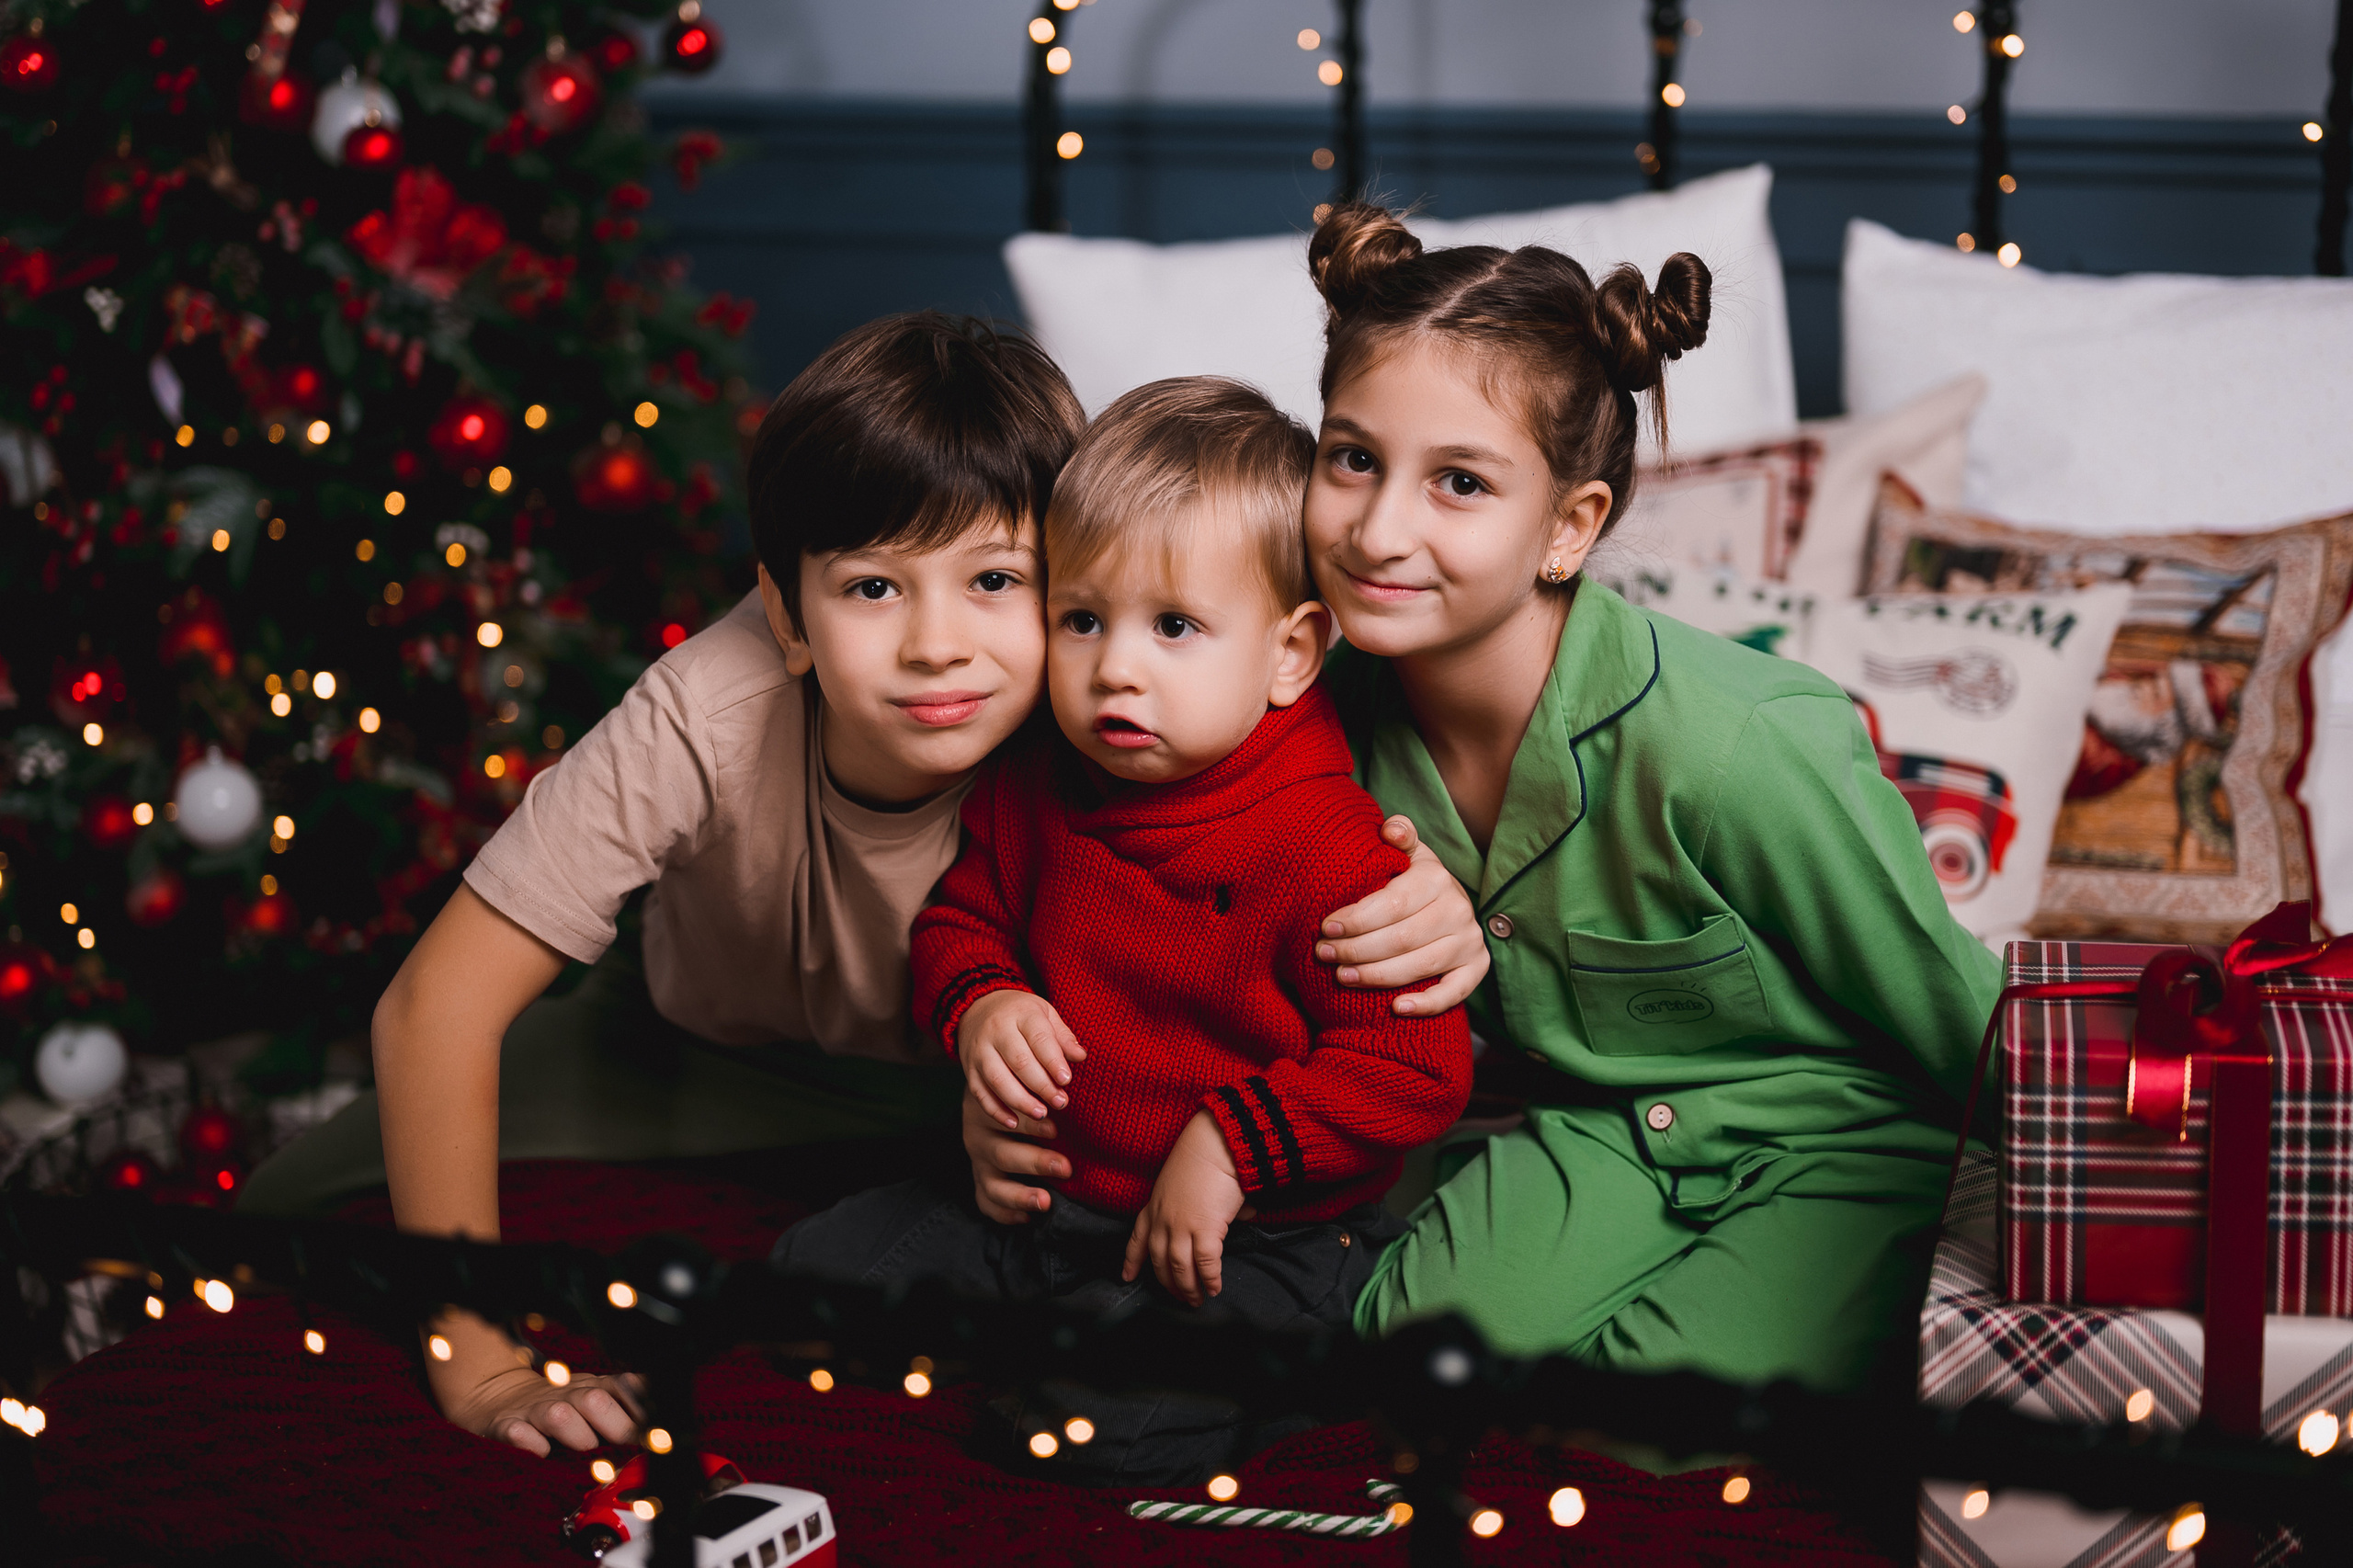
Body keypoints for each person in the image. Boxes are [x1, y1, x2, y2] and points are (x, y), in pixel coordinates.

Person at [241, 313, 1490, 1456]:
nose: (938, 642)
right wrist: (480, 1358)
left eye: (1001, 580)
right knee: (301, 1201)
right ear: (789, 614)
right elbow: (433, 1007)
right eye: (874, 587)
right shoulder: (713, 708)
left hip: (1031, 1098)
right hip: (704, 1042)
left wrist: (1447, 900)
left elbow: (1341, 770)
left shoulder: (1134, 683)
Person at [970, 211, 2002, 1397]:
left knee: (1657, 1413)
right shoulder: (1299, 698)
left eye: (1459, 482)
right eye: (1352, 458)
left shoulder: (1739, 744)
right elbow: (1141, 902)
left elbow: (1959, 1017)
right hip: (1597, 1127)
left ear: (1568, 527)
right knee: (1412, 1366)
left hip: (1837, 1136)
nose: (1377, 528)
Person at [770, 379, 1474, 1483]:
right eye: (1082, 617)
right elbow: (963, 918)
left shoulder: (1333, 849)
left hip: (1245, 1241)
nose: (1115, 668)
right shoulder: (1041, 782)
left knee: (1075, 1430)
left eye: (1176, 626)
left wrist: (1233, 1143)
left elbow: (1410, 1068)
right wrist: (984, 1003)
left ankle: (1302, 1354)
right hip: (1040, 1203)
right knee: (800, 1292)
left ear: (1291, 654)